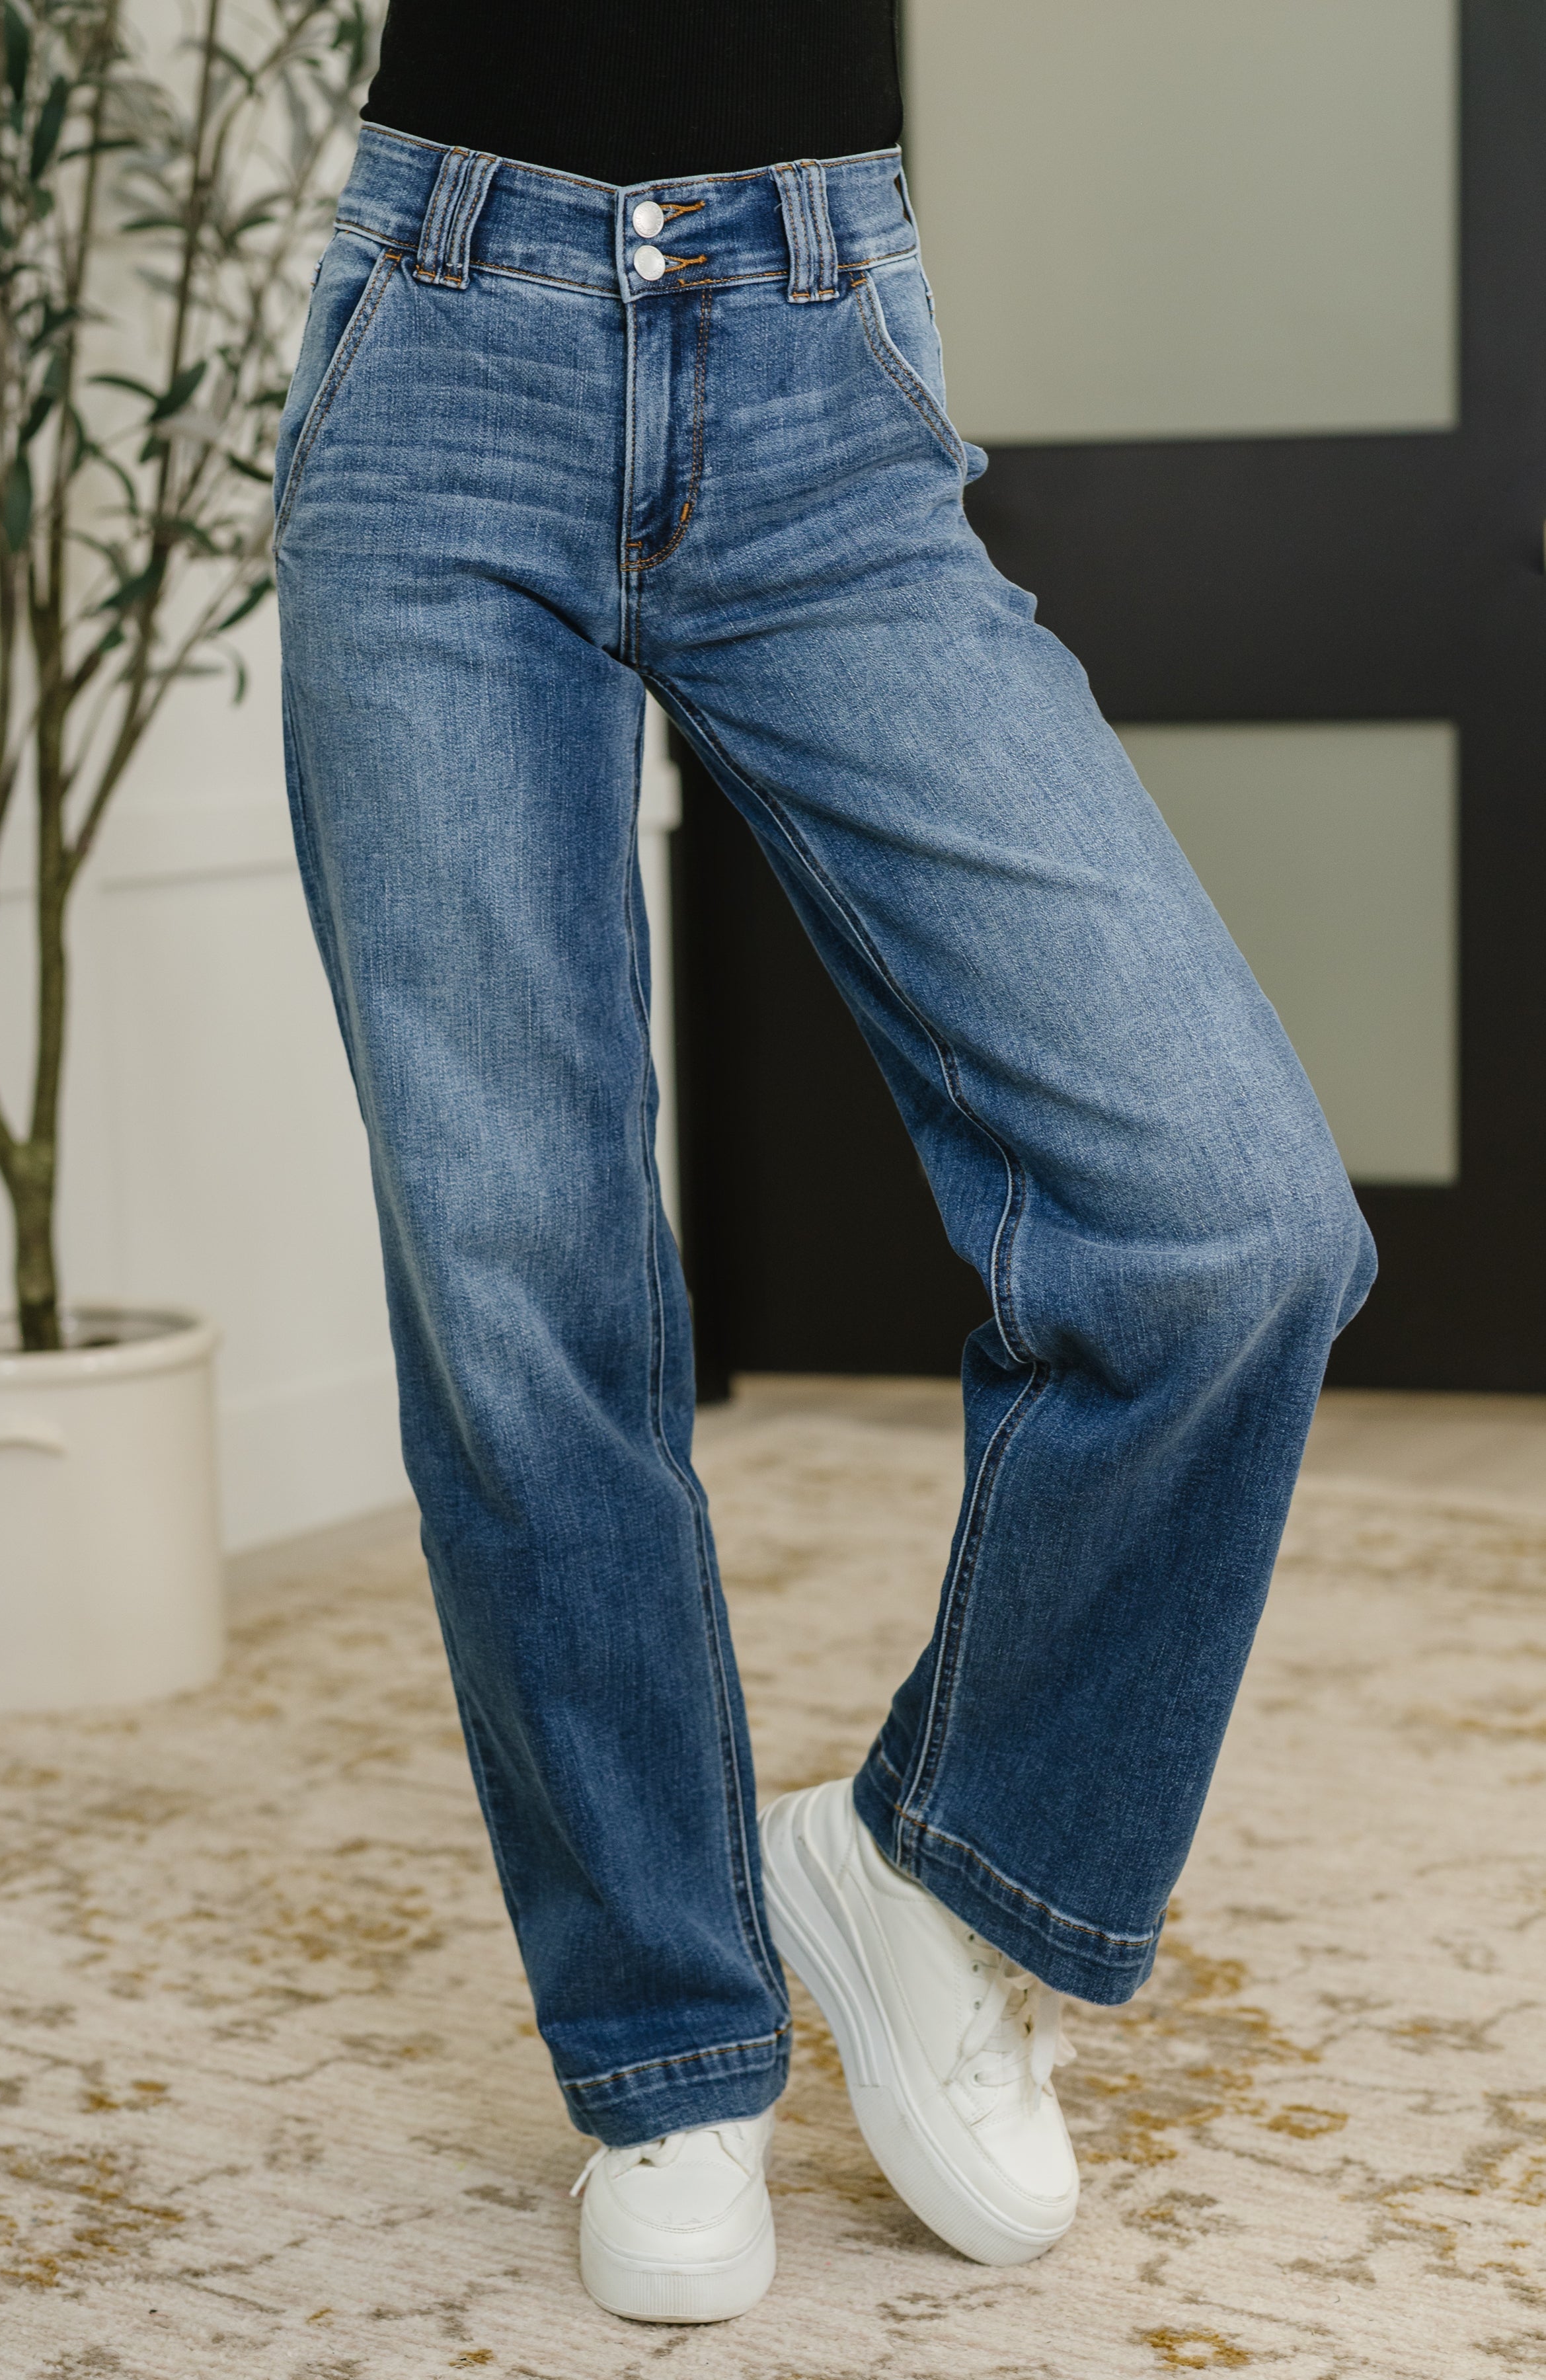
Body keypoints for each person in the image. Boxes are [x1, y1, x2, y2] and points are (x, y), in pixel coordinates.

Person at [274, 0, 1376, 2326]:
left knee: (1229, 1222)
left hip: (815, 361)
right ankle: (666, 2046)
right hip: (439, 359)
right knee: (520, 1281)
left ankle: (932, 1872)